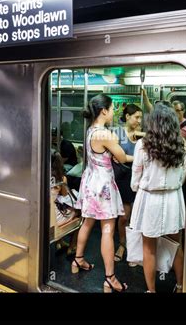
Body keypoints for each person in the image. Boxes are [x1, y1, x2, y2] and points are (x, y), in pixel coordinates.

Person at [73, 94, 130, 293]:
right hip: (103, 185)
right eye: (113, 108)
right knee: (108, 229)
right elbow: (122, 157)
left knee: (87, 221)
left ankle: (77, 260)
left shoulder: (90, 130)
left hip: (90, 181)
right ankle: (109, 278)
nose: (114, 112)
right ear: (104, 111)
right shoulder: (105, 134)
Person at [130, 104, 186, 293]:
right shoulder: (181, 144)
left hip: (149, 200)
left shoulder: (142, 145)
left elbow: (135, 180)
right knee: (175, 244)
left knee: (149, 248)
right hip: (173, 199)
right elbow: (182, 177)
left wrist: (139, 186)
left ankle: (151, 290)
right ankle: (180, 285)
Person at [112, 104, 143, 266]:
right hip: (123, 178)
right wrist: (133, 158)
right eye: (136, 117)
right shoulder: (117, 133)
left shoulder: (140, 135)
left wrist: (126, 157)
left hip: (139, 178)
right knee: (124, 216)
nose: (139, 120)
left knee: (137, 218)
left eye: (140, 117)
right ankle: (122, 245)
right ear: (127, 116)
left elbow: (124, 157)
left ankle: (134, 249)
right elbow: (118, 157)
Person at [51, 151, 79, 254]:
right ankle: (73, 246)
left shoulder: (38, 177)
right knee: (79, 213)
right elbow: (64, 194)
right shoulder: (61, 179)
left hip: (40, 220)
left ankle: (60, 242)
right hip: (55, 221)